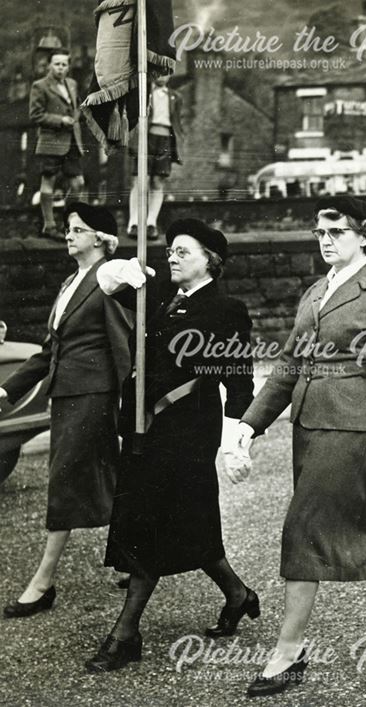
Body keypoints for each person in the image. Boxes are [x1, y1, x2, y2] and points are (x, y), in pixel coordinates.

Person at [237, 196, 366, 697]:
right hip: (308, 427)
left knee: (303, 530)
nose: (326, 241)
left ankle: (289, 651)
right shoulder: (317, 290)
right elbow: (287, 366)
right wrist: (248, 424)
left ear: (365, 235)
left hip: (348, 431)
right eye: (320, 233)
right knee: (345, 529)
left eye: (337, 232)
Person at [86, 219, 258, 672]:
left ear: (210, 261)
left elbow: (239, 385)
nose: (172, 257)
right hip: (144, 431)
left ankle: (125, 635)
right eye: (171, 251)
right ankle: (238, 595)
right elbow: (108, 287)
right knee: (187, 525)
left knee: (151, 528)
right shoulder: (160, 297)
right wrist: (120, 272)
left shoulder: (226, 309)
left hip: (185, 435)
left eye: (183, 251)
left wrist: (236, 440)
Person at [1, 203, 131, 619]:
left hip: (93, 397)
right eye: (69, 229)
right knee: (107, 477)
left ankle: (43, 583)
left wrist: (128, 403)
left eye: (78, 230)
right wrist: (6, 390)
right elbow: (48, 351)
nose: (68, 235)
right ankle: (141, 554)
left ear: (100, 239)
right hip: (68, 396)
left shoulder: (107, 281)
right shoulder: (70, 282)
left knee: (64, 480)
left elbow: (123, 347)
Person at [29, 50, 85, 240]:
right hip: (51, 141)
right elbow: (36, 115)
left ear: (68, 66)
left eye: (64, 64)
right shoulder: (40, 86)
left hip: (72, 141)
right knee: (49, 181)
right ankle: (49, 225)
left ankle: (66, 223)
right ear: (49, 66)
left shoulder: (72, 84)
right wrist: (60, 120)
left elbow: (76, 107)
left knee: (78, 184)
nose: (61, 68)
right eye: (57, 64)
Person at [127, 74, 183, 241]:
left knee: (158, 181)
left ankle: (151, 223)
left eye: (166, 72)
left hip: (165, 139)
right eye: (158, 72)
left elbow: (176, 122)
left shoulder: (175, 96)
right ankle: (134, 223)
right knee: (140, 180)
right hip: (146, 138)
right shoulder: (143, 92)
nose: (162, 76)